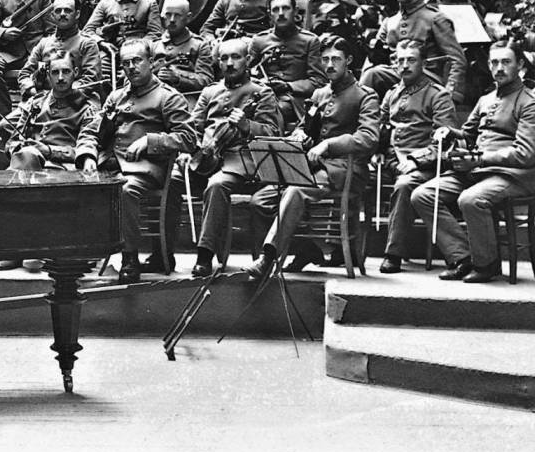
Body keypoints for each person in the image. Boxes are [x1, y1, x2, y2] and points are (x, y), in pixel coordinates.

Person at [412, 43, 535, 282]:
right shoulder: (486, 99)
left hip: (511, 176)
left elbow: (526, 153)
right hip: (477, 171)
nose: (499, 68)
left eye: (506, 62)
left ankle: (487, 265)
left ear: (520, 66)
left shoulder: (531, 104)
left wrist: (478, 159)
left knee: (471, 199)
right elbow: (469, 134)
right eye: (494, 63)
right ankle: (463, 257)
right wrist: (451, 132)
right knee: (422, 194)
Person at [247, 38, 379, 278]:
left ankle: (267, 257)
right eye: (325, 59)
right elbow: (305, 127)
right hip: (311, 168)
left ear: (348, 61)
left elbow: (368, 137)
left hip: (344, 170)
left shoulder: (365, 96)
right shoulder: (319, 94)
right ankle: (305, 248)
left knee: (295, 191)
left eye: (336, 59)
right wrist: (299, 135)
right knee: (260, 200)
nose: (329, 64)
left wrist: (328, 144)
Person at [75, 39, 194, 283]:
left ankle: (129, 258)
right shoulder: (116, 97)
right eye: (125, 63)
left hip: (148, 170)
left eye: (137, 60)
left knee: (126, 190)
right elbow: (90, 130)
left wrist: (150, 141)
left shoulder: (167, 97)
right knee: (79, 184)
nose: (131, 67)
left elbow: (188, 138)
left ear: (151, 63)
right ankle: (83, 253)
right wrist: (87, 155)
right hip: (113, 165)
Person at [187, 39, 282, 278]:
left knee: (217, 184)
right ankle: (184, 255)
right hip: (209, 158)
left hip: (245, 162)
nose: (229, 63)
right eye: (224, 58)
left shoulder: (261, 92)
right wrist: (191, 148)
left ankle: (204, 255)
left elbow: (273, 133)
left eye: (236, 57)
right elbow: (192, 129)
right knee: (191, 179)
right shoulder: (210, 91)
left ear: (248, 60)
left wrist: (246, 125)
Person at [376, 40, 459, 273]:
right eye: (400, 60)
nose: (404, 65)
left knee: (404, 185)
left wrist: (414, 160)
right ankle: (343, 250)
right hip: (392, 160)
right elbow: (381, 127)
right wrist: (380, 152)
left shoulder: (437, 95)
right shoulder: (391, 94)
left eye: (411, 60)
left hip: (427, 165)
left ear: (423, 63)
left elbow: (445, 141)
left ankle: (393, 254)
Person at [360, 0, 469, 105]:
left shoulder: (434, 18)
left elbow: (457, 59)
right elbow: (373, 58)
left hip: (427, 79)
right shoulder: (390, 22)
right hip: (395, 76)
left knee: (373, 75)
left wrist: (451, 92)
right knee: (370, 75)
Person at [249, 0, 328, 131]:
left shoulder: (310, 41)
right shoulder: (259, 41)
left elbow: (318, 81)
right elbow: (247, 73)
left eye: (285, 8)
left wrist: (288, 86)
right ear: (269, 14)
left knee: (272, 109)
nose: (280, 13)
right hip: (263, 95)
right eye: (275, 9)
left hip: (293, 100)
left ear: (295, 11)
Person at [8, 54, 95, 172]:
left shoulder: (85, 108)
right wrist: (20, 146)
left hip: (64, 168)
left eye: (66, 72)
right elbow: (13, 142)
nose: (60, 78)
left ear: (75, 72)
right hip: (29, 162)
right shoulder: (35, 103)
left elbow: (85, 147)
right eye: (55, 72)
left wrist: (49, 151)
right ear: (48, 75)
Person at [18, 0, 104, 99]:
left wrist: (61, 93)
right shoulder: (44, 44)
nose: (62, 14)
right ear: (53, 15)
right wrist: (33, 91)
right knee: (9, 116)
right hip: (42, 101)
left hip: (76, 102)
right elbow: (25, 73)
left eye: (68, 10)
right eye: (58, 11)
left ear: (77, 14)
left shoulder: (87, 44)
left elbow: (91, 79)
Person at [153, 0, 215, 97]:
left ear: (188, 17)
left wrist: (178, 78)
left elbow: (206, 80)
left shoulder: (199, 45)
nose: (172, 20)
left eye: (177, 15)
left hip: (185, 96)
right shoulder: (154, 45)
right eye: (168, 15)